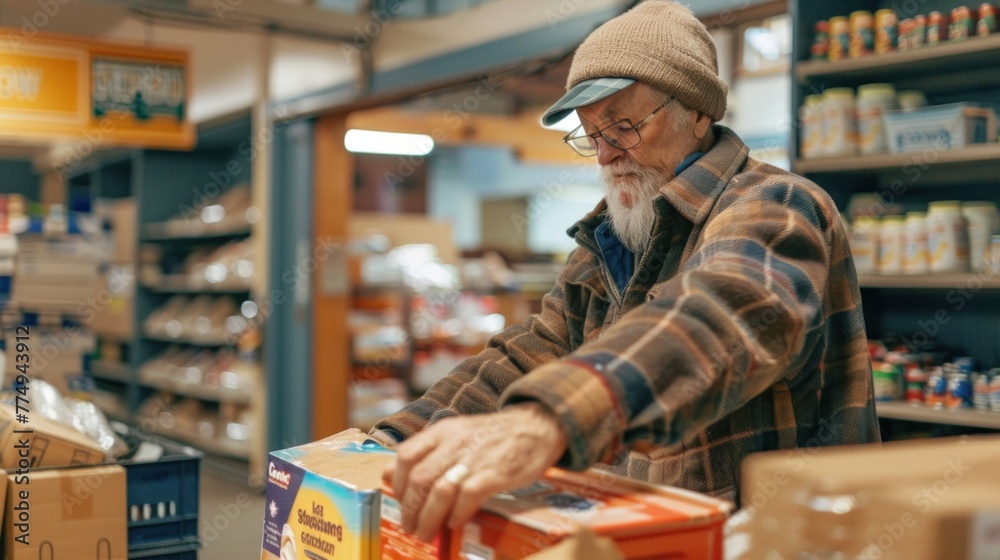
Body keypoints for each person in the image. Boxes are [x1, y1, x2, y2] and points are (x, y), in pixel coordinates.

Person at [369, 0, 880, 543]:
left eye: (624, 126)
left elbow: (720, 315)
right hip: (646, 542)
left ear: (697, 112)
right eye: (591, 134)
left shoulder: (775, 204)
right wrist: (391, 441)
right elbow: (528, 353)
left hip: (778, 544)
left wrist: (550, 418)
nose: (606, 154)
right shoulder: (607, 239)